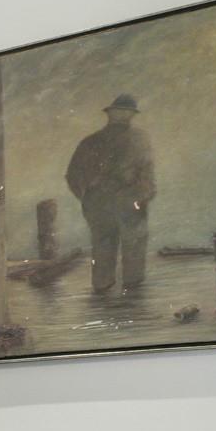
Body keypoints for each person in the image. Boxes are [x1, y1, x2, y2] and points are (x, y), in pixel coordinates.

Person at [65, 94, 156, 292]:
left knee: (121, 248)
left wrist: (141, 198)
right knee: (113, 248)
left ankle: (124, 294)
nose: (123, 115)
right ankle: (115, 292)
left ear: (132, 115)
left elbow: (147, 174)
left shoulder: (138, 139)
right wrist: (87, 198)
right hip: (110, 202)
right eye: (119, 111)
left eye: (127, 112)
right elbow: (73, 174)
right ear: (110, 113)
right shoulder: (91, 142)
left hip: (125, 202)